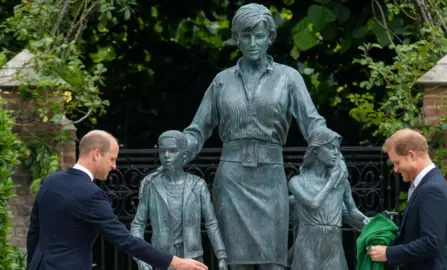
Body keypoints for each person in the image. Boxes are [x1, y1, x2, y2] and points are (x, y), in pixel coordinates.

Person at [180, 3, 348, 269]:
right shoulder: (222, 80)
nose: (253, 43)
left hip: (271, 177)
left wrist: (331, 147)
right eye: (246, 36)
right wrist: (180, 149)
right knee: (237, 262)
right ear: (236, 38)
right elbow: (197, 129)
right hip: (232, 180)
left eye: (259, 36)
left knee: (273, 262)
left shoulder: (289, 78)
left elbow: (312, 122)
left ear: (271, 37)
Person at [26, 130, 208, 270]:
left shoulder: (51, 181)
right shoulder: (91, 194)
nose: (114, 166)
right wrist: (174, 262)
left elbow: (34, 231)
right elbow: (124, 239)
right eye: (112, 159)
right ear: (96, 154)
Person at [130, 130, 228, 270]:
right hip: (162, 259)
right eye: (162, 151)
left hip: (192, 259)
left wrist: (221, 256)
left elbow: (211, 223)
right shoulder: (151, 186)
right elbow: (138, 225)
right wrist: (140, 258)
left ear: (185, 155)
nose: (167, 156)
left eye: (172, 151)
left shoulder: (197, 185)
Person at [368, 128, 447, 269]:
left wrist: (388, 253)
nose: (396, 169)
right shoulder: (423, 185)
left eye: (397, 163)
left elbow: (431, 243)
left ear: (411, 155)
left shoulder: (431, 189)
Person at [288, 126, 369, 270]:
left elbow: (352, 212)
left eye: (337, 149)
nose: (335, 153)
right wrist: (331, 181)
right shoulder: (297, 181)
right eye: (331, 148)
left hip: (333, 246)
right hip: (308, 246)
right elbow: (313, 203)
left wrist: (371, 221)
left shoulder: (342, 182)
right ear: (315, 150)